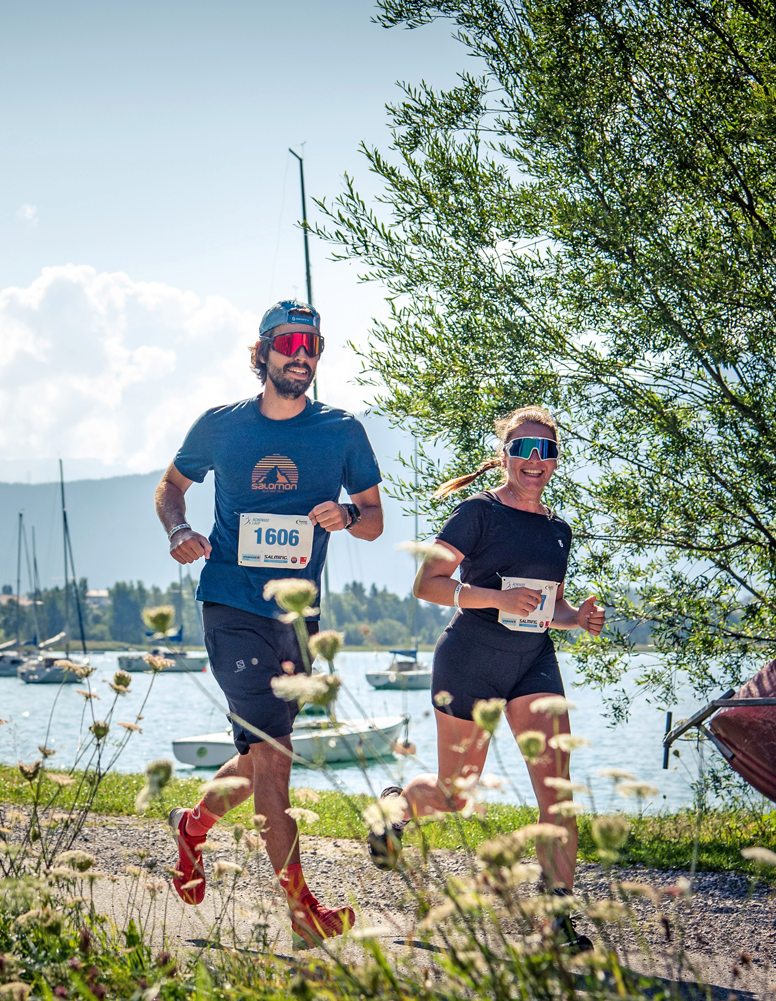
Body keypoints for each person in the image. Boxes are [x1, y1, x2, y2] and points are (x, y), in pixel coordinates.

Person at [155, 299, 384, 946]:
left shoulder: (342, 431)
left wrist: (346, 515)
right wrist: (178, 528)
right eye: (288, 342)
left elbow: (374, 519)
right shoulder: (221, 426)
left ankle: (191, 827)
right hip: (231, 604)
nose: (301, 353)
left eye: (311, 343)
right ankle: (301, 912)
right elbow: (170, 486)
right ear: (262, 352)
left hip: (298, 617)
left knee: (259, 758)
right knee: (276, 764)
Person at [377, 405, 603, 949]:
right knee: (456, 795)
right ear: (504, 456)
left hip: (532, 662)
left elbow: (552, 607)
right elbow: (427, 584)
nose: (534, 460)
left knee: (558, 796)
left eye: (544, 451)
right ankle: (395, 807)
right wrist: (496, 597)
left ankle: (556, 921)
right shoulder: (476, 513)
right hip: (470, 659)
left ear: (555, 461)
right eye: (522, 449)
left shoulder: (558, 531)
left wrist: (579, 618)